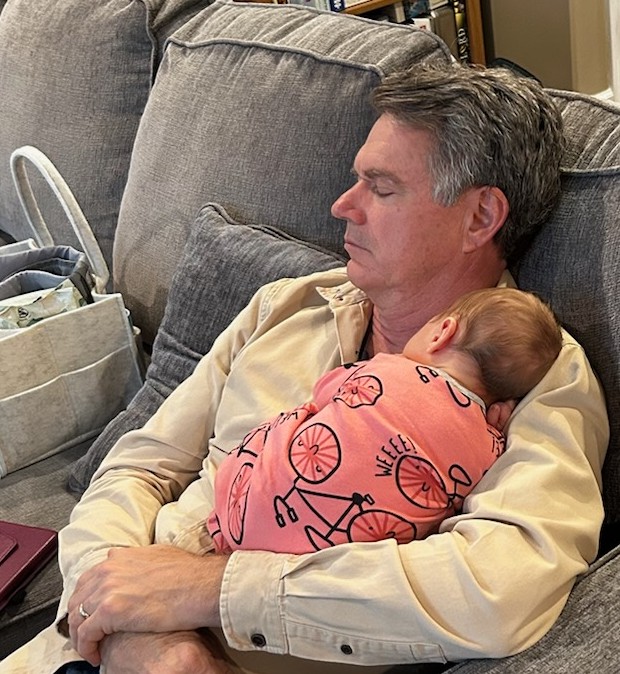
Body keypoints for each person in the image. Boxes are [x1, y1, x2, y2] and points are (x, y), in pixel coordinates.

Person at [1, 63, 608, 674]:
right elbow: (139, 466)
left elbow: (497, 590)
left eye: (381, 187)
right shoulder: (286, 306)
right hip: (89, 641)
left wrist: (206, 590)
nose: (342, 206)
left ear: (479, 217)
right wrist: (127, 622)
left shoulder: (537, 381)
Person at [207, 287, 562, 556]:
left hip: (245, 510)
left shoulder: (387, 368)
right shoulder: (488, 447)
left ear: (442, 332)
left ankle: (224, 527)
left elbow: (326, 390)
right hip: (331, 561)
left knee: (307, 412)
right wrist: (493, 430)